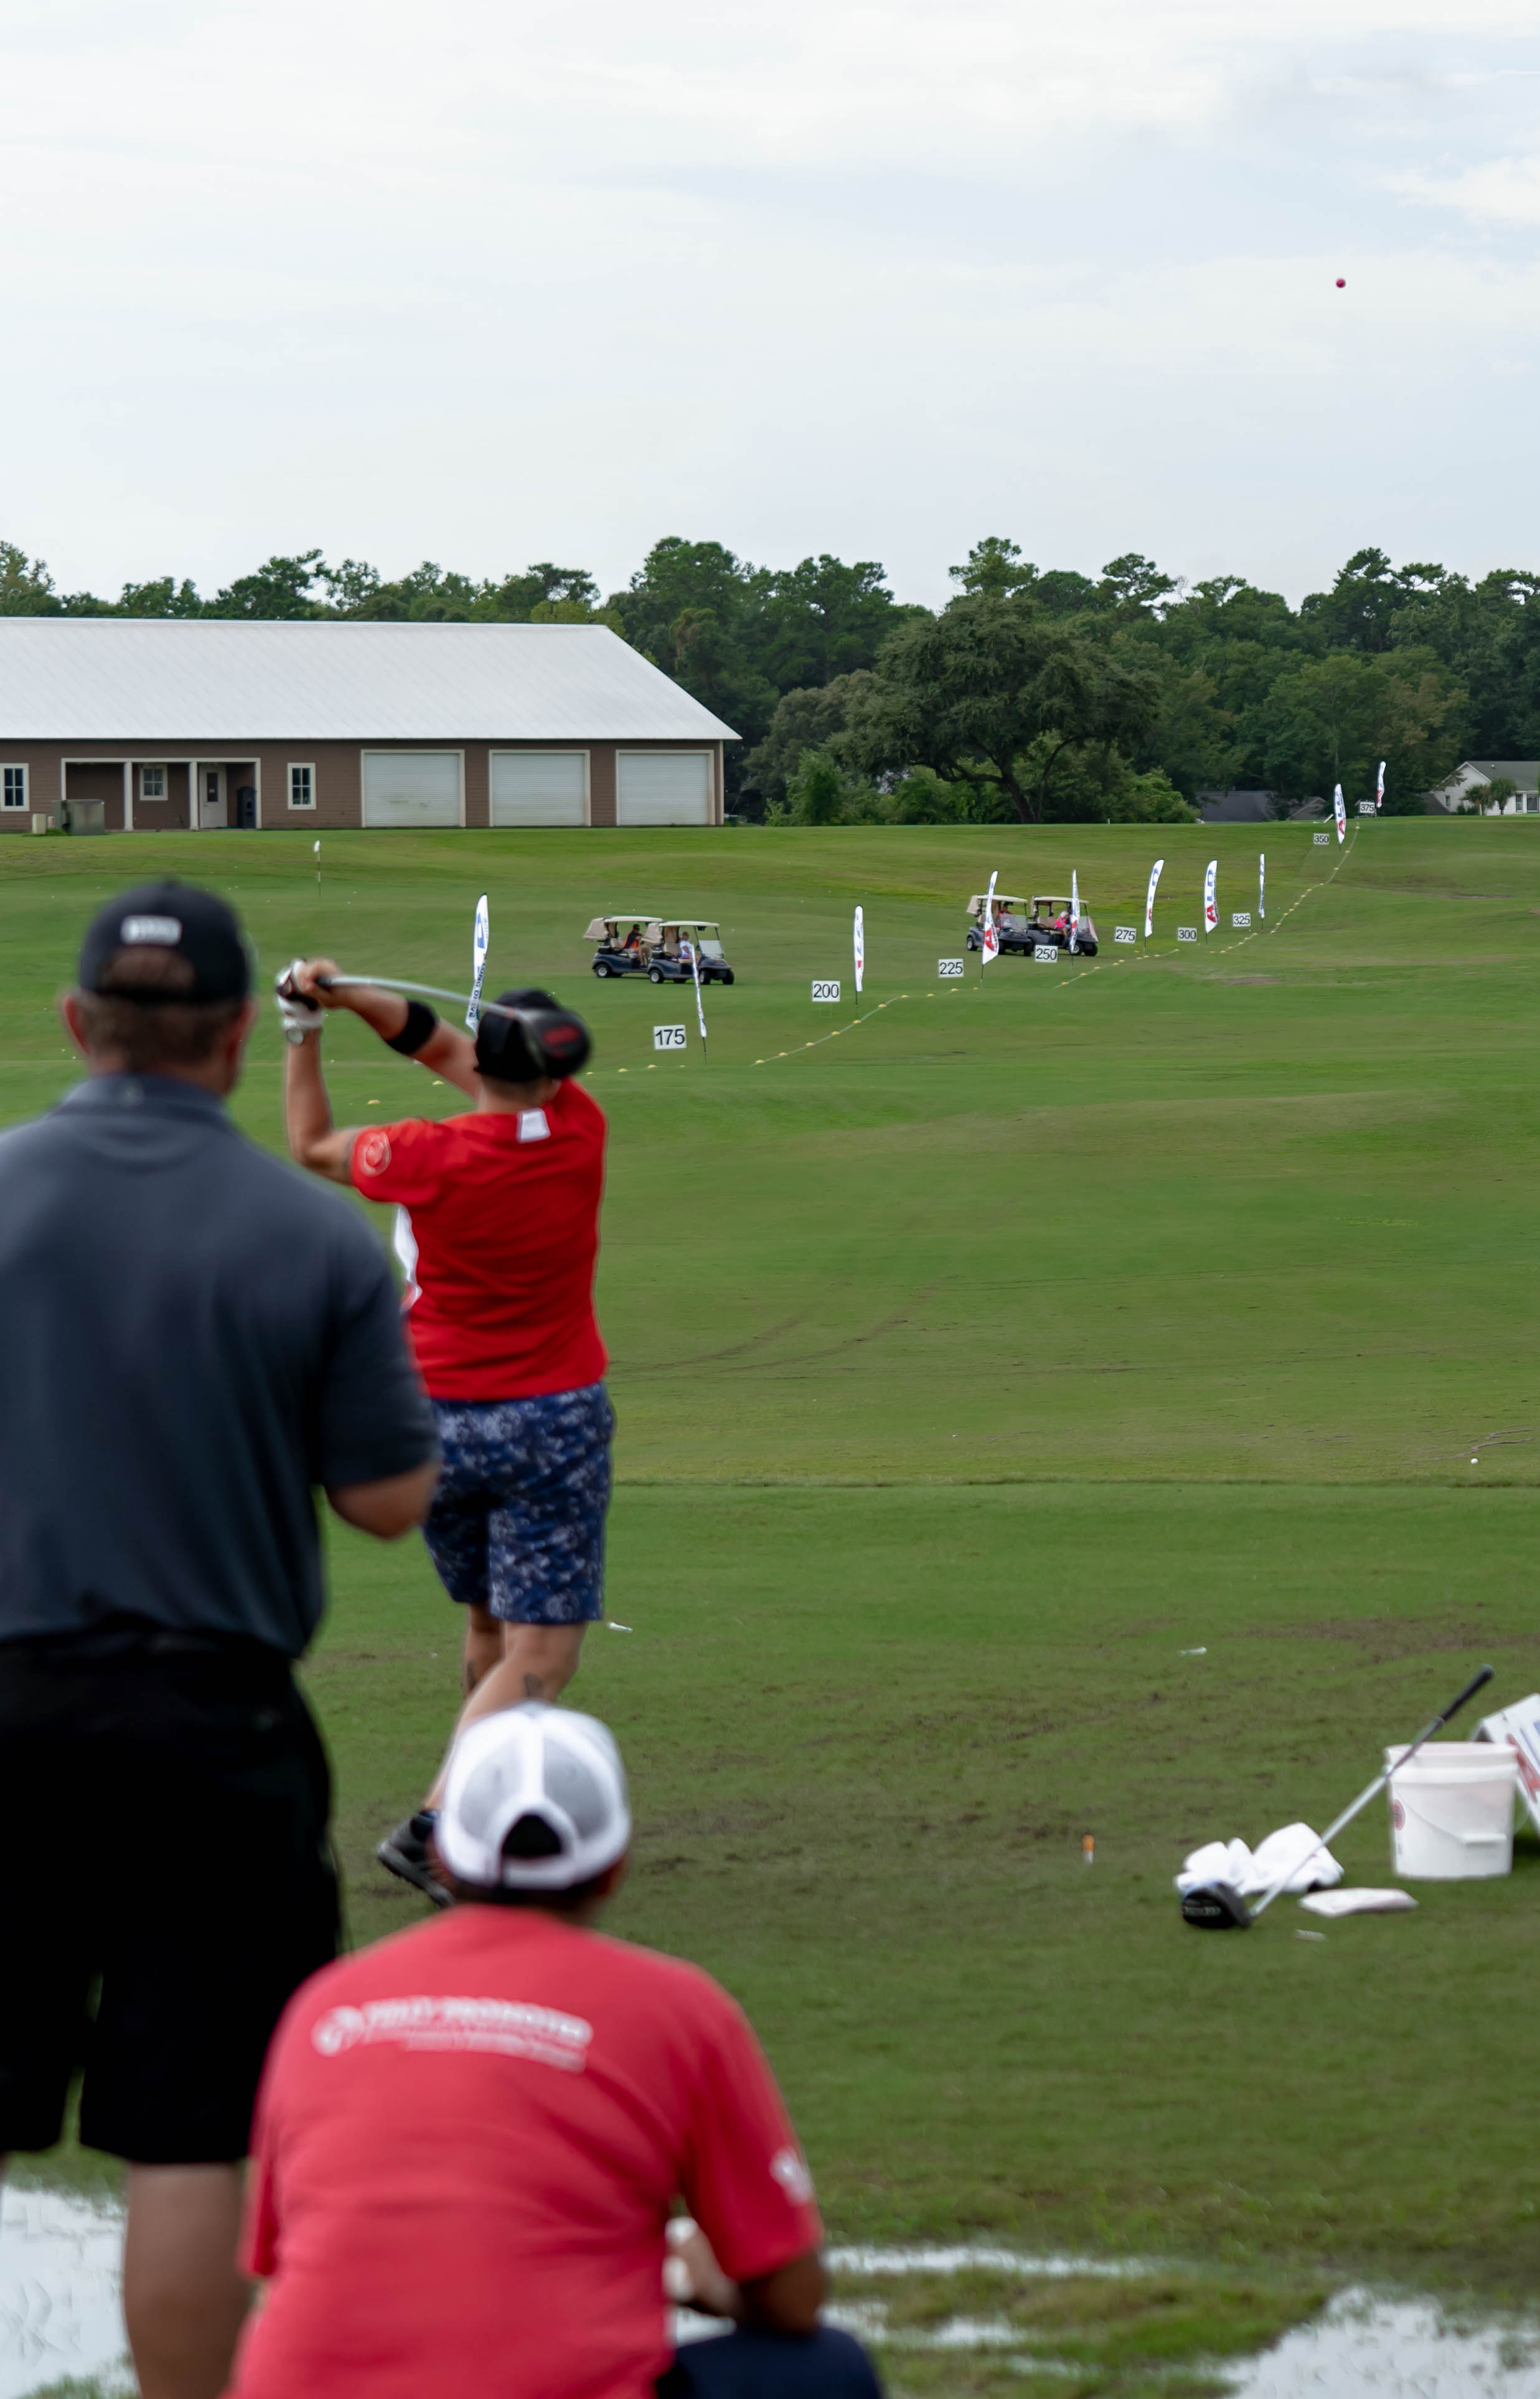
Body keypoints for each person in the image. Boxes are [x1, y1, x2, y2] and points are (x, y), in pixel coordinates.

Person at [0, 880, 441, 2399]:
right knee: (191, 2130)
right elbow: (389, 1499)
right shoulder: (311, 1236)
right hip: (214, 1724)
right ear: (243, 1033)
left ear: (78, 1023)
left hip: (6, 1700)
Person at [234, 1702, 881, 2399]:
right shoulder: (680, 2009)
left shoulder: (325, 2005)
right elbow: (794, 2297)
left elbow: (278, 2259)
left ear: (443, 1858)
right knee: (830, 2369)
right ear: (615, 1866)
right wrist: (702, 2281)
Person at [279, 960, 611, 1906]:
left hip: (433, 1422)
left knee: (489, 1622)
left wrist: (308, 1023)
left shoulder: (425, 1153)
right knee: (542, 1653)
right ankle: (442, 1828)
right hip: (552, 1421)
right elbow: (445, 1047)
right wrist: (351, 998)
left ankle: (479, 1802)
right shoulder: (581, 1127)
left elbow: (311, 1141)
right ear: (550, 1074)